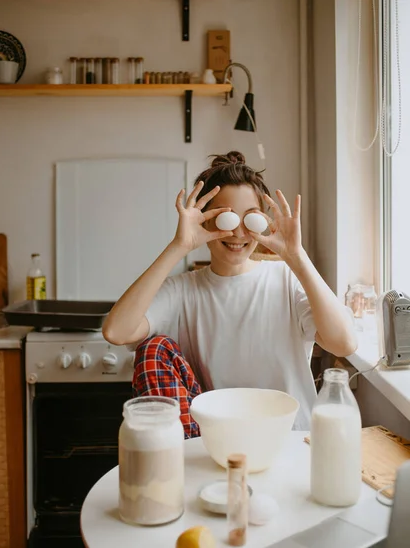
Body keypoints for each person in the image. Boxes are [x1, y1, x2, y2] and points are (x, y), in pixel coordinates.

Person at [103, 151, 357, 436]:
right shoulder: (182, 290)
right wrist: (179, 246)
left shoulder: (286, 279)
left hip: (291, 439)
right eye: (225, 218)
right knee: (152, 349)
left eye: (250, 219)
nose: (237, 232)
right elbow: (117, 332)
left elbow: (344, 344)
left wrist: (296, 256)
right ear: (205, 222)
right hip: (217, 444)